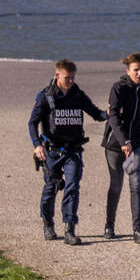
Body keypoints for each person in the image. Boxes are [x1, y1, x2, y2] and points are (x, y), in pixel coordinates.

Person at [28, 59, 107, 245]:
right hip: (52, 151)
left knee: (72, 186)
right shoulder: (45, 96)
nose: (70, 81)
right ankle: (48, 223)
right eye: (67, 78)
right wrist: (37, 145)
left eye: (72, 78)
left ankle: (69, 228)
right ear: (57, 76)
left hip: (73, 151)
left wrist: (110, 112)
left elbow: (96, 114)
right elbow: (32, 123)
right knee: (51, 187)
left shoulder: (78, 95)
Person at [103, 52, 140, 244]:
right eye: (136, 70)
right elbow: (113, 117)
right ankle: (109, 224)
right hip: (115, 144)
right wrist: (123, 141)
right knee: (116, 185)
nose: (139, 73)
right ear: (128, 71)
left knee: (137, 185)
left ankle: (137, 230)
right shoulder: (118, 88)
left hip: (138, 144)